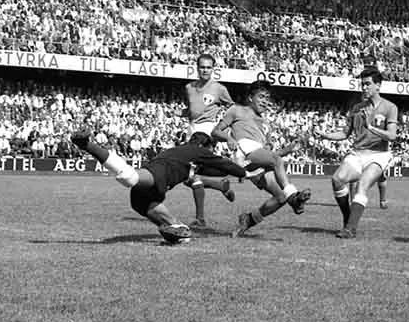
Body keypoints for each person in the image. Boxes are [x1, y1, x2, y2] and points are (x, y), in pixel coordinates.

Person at [70, 129, 257, 244]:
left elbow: (216, 171)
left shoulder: (183, 153)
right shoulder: (198, 150)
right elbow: (222, 164)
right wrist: (245, 173)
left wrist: (228, 177)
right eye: (210, 150)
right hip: (159, 177)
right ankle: (88, 145)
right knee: (128, 176)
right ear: (203, 146)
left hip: (145, 196)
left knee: (179, 231)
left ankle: (175, 229)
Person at [211, 81, 311, 238]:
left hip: (257, 159)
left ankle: (249, 219)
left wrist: (288, 149)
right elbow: (215, 131)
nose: (265, 101)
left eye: (267, 98)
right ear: (250, 97)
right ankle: (294, 197)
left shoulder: (265, 124)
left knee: (280, 197)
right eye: (261, 97)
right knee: (286, 189)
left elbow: (269, 155)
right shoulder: (236, 110)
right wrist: (228, 138)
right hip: (244, 152)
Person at [316, 67, 399, 239]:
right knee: (337, 180)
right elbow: (345, 134)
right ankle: (348, 218)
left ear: (378, 85)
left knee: (362, 184)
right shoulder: (356, 108)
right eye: (362, 84)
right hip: (358, 153)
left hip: (379, 155)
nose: (364, 88)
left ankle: (350, 229)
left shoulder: (390, 107)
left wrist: (371, 127)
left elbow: (391, 136)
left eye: (368, 84)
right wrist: (326, 135)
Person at [184, 53, 237, 228]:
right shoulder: (189, 87)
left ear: (213, 69)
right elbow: (192, 109)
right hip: (192, 129)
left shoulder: (219, 89)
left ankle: (200, 220)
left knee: (187, 169)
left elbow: (232, 108)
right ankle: (220, 185)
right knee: (188, 177)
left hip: (206, 132)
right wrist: (181, 113)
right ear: (197, 68)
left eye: (208, 67)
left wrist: (224, 129)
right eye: (202, 67)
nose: (205, 70)